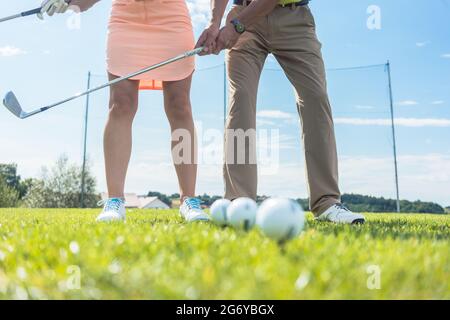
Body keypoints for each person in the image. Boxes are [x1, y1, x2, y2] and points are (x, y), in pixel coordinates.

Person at [197, 0, 365, 224]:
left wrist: (236, 26)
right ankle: (239, 200)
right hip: (243, 14)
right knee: (241, 99)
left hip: (293, 19)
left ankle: (327, 202)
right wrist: (214, 23)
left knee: (315, 98)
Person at [39, 0, 209, 222]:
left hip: (172, 19)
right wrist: (68, 2)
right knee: (120, 104)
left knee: (180, 105)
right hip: (125, 19)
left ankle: (189, 200)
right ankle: (115, 201)